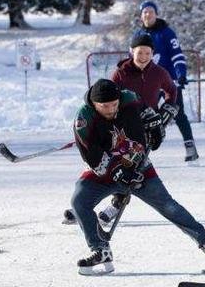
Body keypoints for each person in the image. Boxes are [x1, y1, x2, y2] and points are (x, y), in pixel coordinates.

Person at [69, 79, 205, 275]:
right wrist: (117, 171)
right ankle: (100, 250)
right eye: (105, 106)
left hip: (139, 168)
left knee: (169, 206)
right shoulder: (83, 119)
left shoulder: (130, 99)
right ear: (93, 104)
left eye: (114, 104)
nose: (111, 110)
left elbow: (147, 123)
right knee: (79, 201)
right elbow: (92, 156)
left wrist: (155, 127)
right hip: (104, 170)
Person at [63, 32, 180, 225]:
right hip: (121, 128)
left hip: (146, 127)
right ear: (131, 52)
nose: (143, 57)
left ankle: (113, 206)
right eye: (139, 52)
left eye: (147, 53)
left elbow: (172, 91)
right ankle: (86, 206)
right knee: (112, 165)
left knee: (131, 167)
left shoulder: (159, 72)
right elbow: (106, 98)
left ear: (153, 54)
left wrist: (166, 111)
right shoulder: (121, 73)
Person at [135, 0, 199, 163]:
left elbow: (177, 55)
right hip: (148, 84)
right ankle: (141, 152)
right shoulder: (138, 35)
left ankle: (190, 147)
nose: (148, 14)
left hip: (169, 82)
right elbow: (133, 60)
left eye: (150, 11)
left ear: (156, 14)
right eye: (145, 12)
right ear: (141, 16)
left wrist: (181, 74)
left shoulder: (166, 32)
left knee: (178, 113)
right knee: (144, 116)